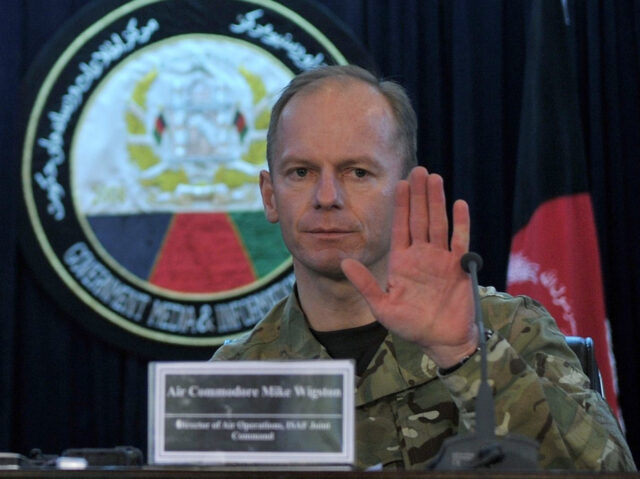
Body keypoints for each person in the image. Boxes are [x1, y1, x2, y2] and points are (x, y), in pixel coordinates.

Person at [211, 64, 636, 471]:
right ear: (270, 196)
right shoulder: (236, 375)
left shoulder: (507, 328)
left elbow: (610, 471)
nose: (327, 196)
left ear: (405, 190)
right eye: (300, 171)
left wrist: (464, 354)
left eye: (358, 172)